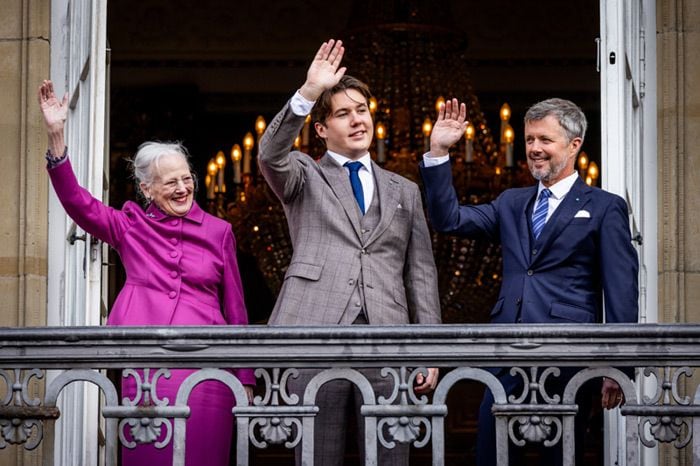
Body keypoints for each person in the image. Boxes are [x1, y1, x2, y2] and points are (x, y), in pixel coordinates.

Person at [38, 80, 255, 466]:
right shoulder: (129, 225)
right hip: (148, 367)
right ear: (147, 188)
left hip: (209, 368)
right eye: (170, 181)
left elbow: (235, 310)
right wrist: (57, 139)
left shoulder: (219, 231)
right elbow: (79, 204)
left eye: (186, 177)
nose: (183, 187)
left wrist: (245, 378)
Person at [419, 97, 639, 465]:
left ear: (574, 144)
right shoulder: (511, 202)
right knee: (491, 455)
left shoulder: (604, 206)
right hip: (506, 354)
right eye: (529, 140)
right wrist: (439, 151)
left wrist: (618, 367)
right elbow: (449, 219)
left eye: (545, 140)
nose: (534, 149)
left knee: (561, 458)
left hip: (569, 358)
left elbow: (621, 289)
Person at [258, 40, 441, 465]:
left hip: (390, 340)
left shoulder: (405, 190)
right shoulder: (303, 174)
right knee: (317, 455)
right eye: (343, 113)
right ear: (321, 129)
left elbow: (421, 277)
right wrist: (308, 92)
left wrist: (432, 348)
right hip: (314, 334)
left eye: (362, 110)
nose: (358, 119)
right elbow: (270, 154)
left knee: (391, 456)